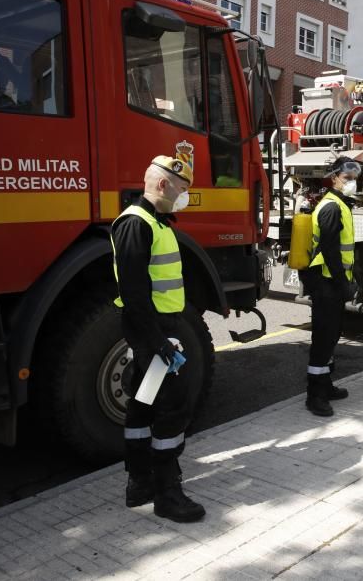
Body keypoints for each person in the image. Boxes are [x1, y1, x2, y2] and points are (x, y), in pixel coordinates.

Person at [111, 155, 205, 523]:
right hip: (156, 330)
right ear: (163, 185)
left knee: (144, 401)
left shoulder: (155, 222)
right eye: (183, 189)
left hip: (158, 328)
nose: (185, 196)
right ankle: (168, 493)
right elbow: (134, 294)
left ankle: (140, 482)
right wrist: (160, 342)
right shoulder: (137, 224)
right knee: (173, 408)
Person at [305, 156, 361, 417]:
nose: (352, 182)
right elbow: (329, 251)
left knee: (331, 337)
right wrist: (343, 283)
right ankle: (314, 396)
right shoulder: (331, 207)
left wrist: (351, 279)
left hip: (333, 282)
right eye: (347, 177)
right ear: (334, 177)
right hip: (326, 282)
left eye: (354, 178)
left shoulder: (341, 204)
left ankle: (325, 386)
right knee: (323, 339)